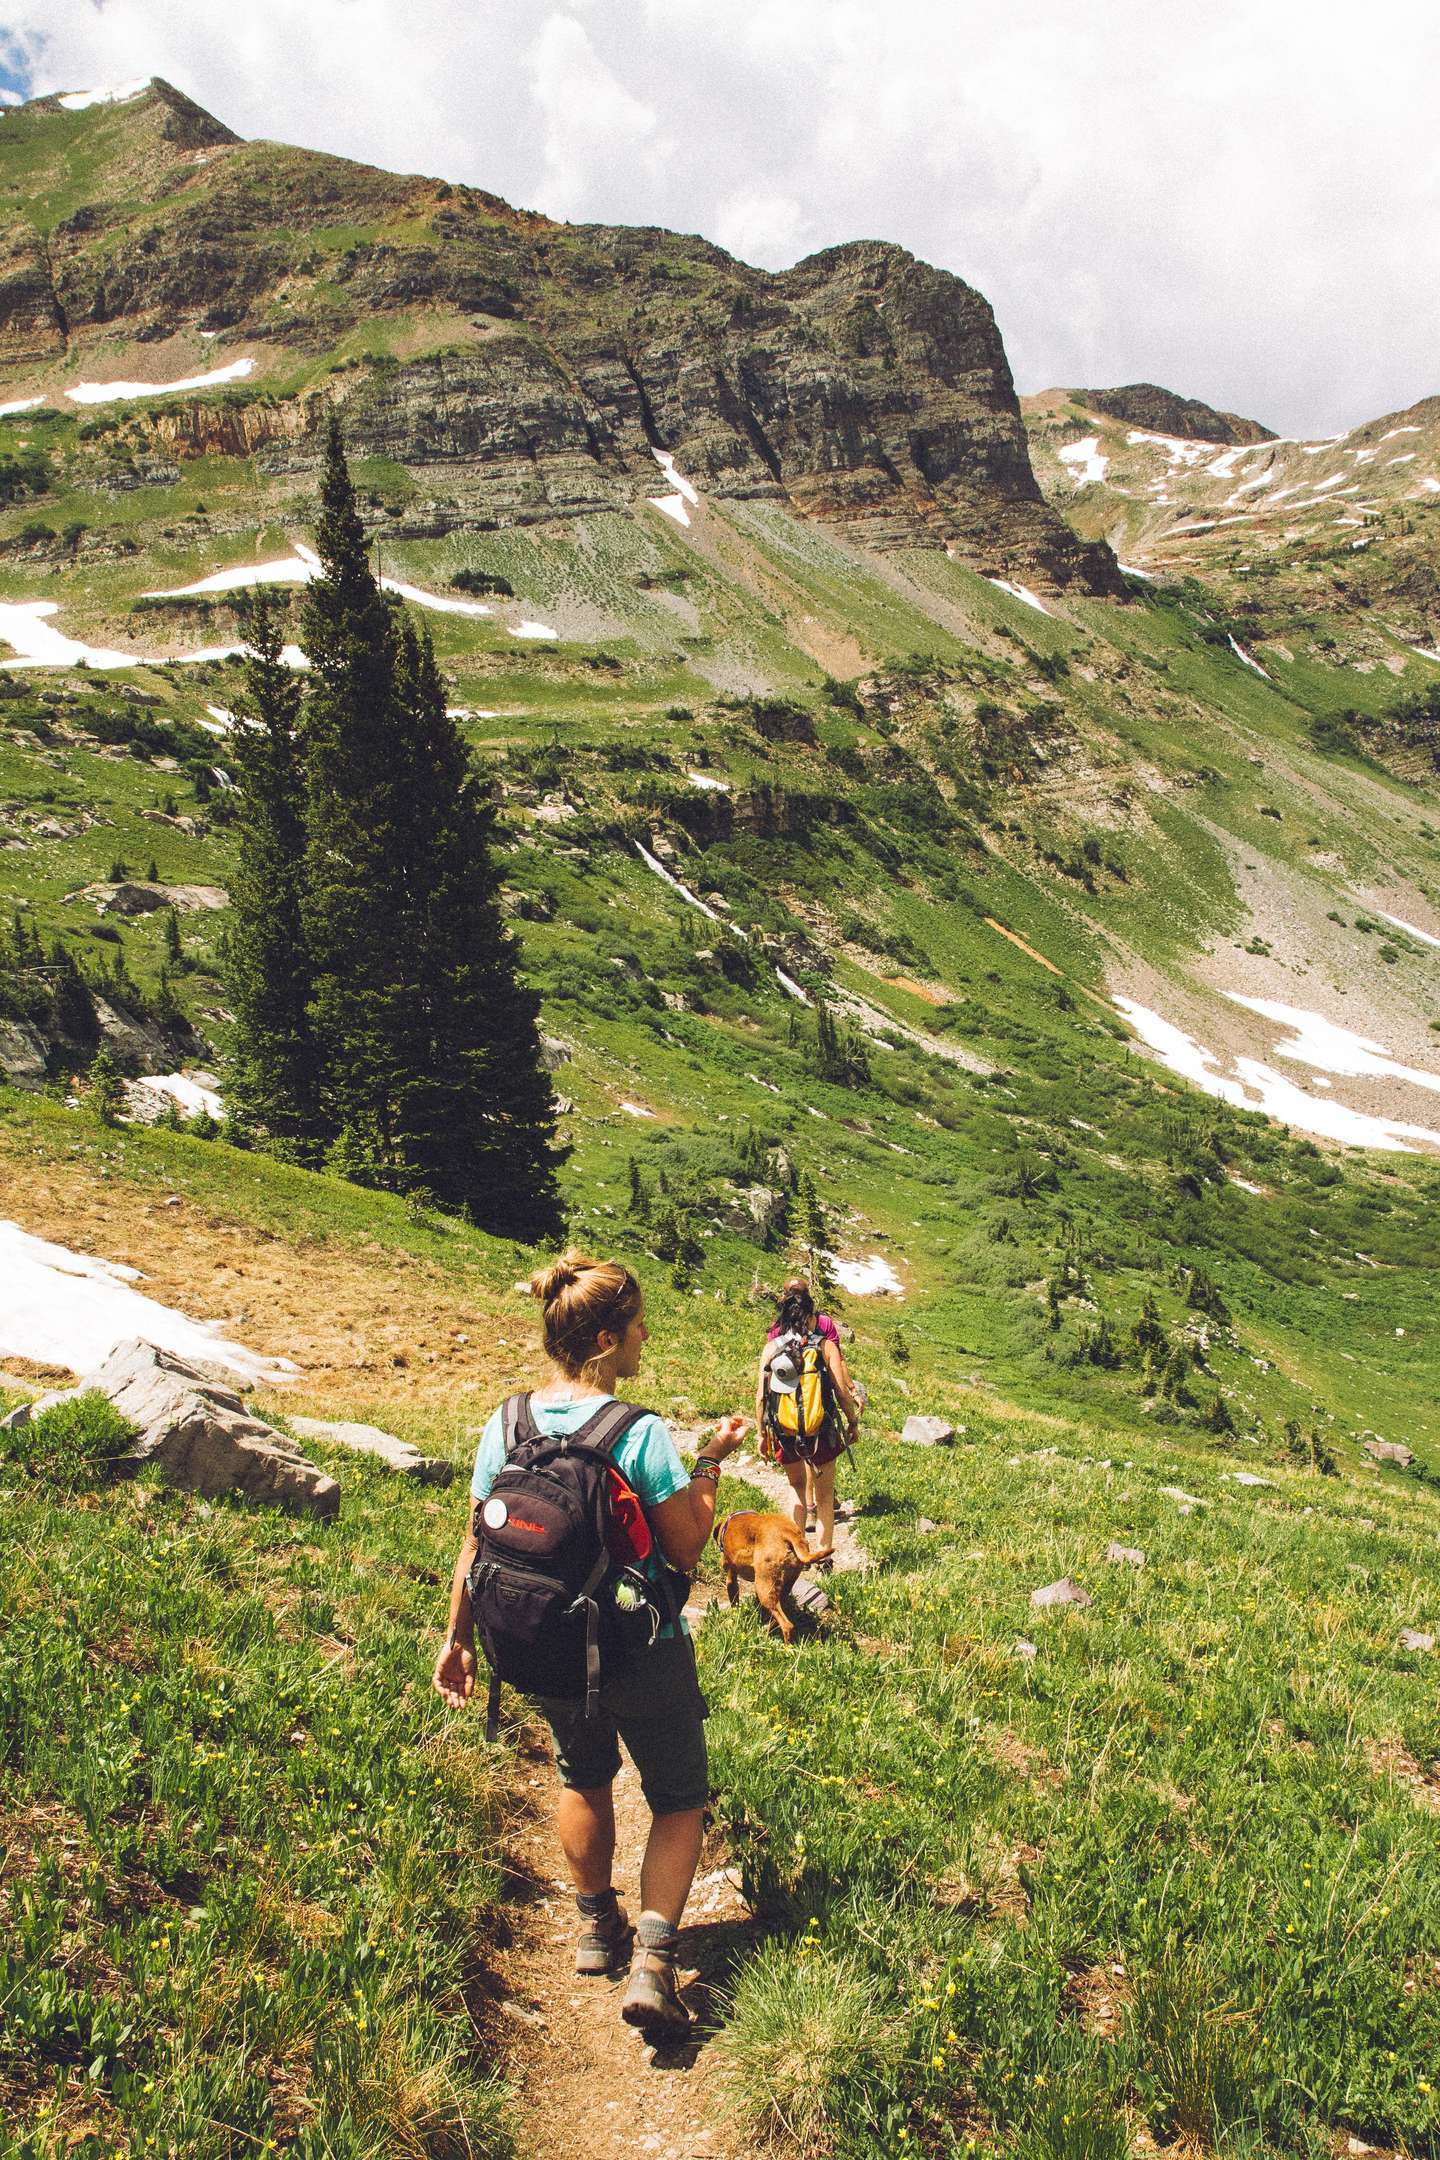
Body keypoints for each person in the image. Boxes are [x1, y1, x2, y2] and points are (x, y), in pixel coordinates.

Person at [433, 1250, 747, 2034]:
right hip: (641, 1645)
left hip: (542, 1642)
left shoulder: (507, 1422)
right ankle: (654, 1959)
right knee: (678, 1798)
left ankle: (594, 1926)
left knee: (583, 1775)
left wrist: (457, 1641)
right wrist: (709, 1461)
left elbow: (477, 1539)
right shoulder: (635, 1433)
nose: (646, 1339)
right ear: (607, 1338)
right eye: (638, 1326)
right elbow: (684, 1547)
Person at [755, 1277, 861, 1556]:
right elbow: (840, 1392)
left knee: (796, 1487)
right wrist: (852, 1422)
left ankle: (796, 1552)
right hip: (821, 1429)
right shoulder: (825, 1346)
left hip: (784, 1430)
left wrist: (761, 1434)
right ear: (812, 1316)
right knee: (825, 1497)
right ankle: (823, 1555)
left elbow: (761, 1397)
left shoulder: (771, 1347)